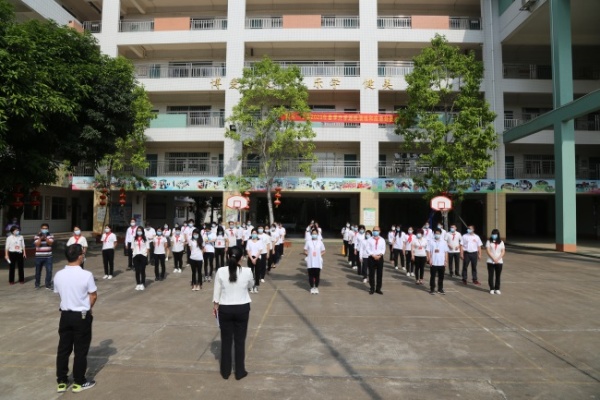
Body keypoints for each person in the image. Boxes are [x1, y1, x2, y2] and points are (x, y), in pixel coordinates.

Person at [54, 244, 97, 393]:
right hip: (81, 316)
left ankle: (62, 380)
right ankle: (79, 381)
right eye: (83, 254)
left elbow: (59, 293)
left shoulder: (59, 274)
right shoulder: (86, 275)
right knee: (80, 350)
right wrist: (87, 307)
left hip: (65, 315)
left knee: (63, 349)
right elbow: (93, 295)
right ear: (80, 256)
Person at [213, 246, 253, 380]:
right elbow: (250, 285)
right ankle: (240, 372)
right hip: (242, 308)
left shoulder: (220, 271)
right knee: (240, 341)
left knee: (226, 340)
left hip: (225, 308)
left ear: (227, 256)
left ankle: (225, 371)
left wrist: (215, 305)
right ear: (242, 258)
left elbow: (217, 291)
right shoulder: (247, 271)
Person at [427, 228, 449, 295]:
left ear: (440, 234)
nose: (437, 234)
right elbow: (428, 251)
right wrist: (429, 259)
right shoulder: (431, 241)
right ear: (434, 234)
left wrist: (446, 261)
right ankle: (432, 289)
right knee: (432, 276)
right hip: (433, 261)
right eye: (436, 233)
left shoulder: (444, 242)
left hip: (441, 262)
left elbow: (446, 252)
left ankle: (440, 289)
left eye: (438, 233)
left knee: (441, 276)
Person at [304, 228, 326, 294]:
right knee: (310, 275)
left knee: (317, 275)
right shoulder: (308, 242)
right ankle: (311, 287)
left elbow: (324, 251)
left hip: (318, 261)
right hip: (310, 261)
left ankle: (316, 287)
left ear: (317, 234)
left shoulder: (320, 242)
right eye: (313, 233)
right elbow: (305, 250)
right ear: (311, 234)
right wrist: (309, 254)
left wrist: (319, 255)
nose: (314, 235)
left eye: (315, 233)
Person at [34, 223, 54, 290]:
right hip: (39, 257)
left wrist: (45, 238)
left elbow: (50, 243)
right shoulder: (36, 236)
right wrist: (40, 238)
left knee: (49, 271)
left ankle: (48, 284)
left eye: (46, 228)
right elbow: (37, 244)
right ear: (41, 229)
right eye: (43, 228)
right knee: (38, 271)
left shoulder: (51, 236)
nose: (44, 230)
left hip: (48, 257)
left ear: (48, 229)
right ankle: (37, 284)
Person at [486, 229, 505, 295]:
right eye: (493, 234)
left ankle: (497, 288)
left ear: (498, 235)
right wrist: (493, 258)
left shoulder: (501, 242)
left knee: (498, 275)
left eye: (495, 234)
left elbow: (503, 251)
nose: (494, 235)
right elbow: (488, 251)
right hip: (490, 261)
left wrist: (498, 258)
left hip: (499, 261)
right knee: (491, 275)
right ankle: (491, 288)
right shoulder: (489, 241)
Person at [367, 226, 386, 295]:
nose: (375, 232)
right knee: (371, 274)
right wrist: (373, 255)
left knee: (379, 274)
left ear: (379, 231)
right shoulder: (369, 239)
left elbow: (383, 249)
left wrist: (379, 255)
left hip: (379, 258)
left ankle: (378, 289)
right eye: (374, 230)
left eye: (377, 230)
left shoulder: (382, 240)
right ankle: (372, 288)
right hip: (371, 258)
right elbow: (367, 248)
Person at [245, 229, 265, 293]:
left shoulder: (260, 241)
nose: (254, 234)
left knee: (257, 272)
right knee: (251, 273)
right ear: (251, 234)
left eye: (255, 233)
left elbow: (260, 250)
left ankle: (256, 286)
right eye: (253, 233)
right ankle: (251, 286)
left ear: (257, 234)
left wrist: (255, 258)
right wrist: (251, 258)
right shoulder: (249, 241)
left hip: (257, 258)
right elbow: (248, 250)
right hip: (250, 258)